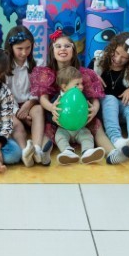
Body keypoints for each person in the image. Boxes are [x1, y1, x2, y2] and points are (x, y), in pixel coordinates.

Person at [30, 30, 106, 165]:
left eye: (67, 46)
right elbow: (43, 98)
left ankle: (112, 152)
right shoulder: (46, 73)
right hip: (57, 118)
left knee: (96, 126)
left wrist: (94, 109)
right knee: (48, 130)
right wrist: (52, 107)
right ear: (52, 51)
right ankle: (43, 154)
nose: (63, 49)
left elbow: (94, 98)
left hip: (82, 119)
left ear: (73, 51)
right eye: (58, 46)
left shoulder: (84, 74)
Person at [91, 32, 129, 165]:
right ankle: (116, 140)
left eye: (124, 57)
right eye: (116, 53)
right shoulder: (99, 61)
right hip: (103, 110)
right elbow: (83, 80)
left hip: (121, 111)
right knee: (110, 99)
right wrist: (93, 79)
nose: (118, 59)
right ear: (112, 48)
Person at [3, 25, 49, 167]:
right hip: (10, 107)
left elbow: (38, 88)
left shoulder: (39, 63)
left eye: (28, 48)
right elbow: (4, 93)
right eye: (19, 48)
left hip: (31, 104)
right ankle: (25, 152)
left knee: (39, 110)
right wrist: (17, 111)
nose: (24, 52)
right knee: (16, 125)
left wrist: (29, 104)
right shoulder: (4, 66)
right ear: (11, 47)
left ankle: (37, 149)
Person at [51, 67, 106, 165]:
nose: (81, 87)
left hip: (81, 128)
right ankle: (67, 152)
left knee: (87, 136)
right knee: (59, 137)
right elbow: (52, 114)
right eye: (77, 84)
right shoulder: (57, 99)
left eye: (81, 83)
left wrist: (90, 111)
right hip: (64, 128)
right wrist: (53, 118)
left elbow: (87, 109)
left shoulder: (83, 97)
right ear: (64, 87)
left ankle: (87, 152)